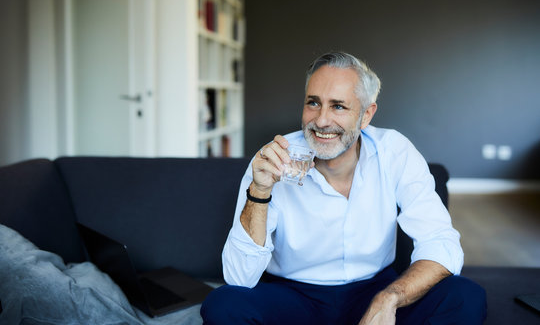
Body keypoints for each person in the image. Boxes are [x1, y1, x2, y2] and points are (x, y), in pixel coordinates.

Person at [201, 52, 486, 324]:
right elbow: (238, 278)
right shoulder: (274, 160)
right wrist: (260, 191)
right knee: (224, 305)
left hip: (373, 290)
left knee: (466, 297)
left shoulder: (394, 151)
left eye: (338, 106)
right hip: (293, 296)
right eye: (313, 103)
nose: (321, 120)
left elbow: (440, 242)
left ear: (365, 115)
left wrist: (389, 299)